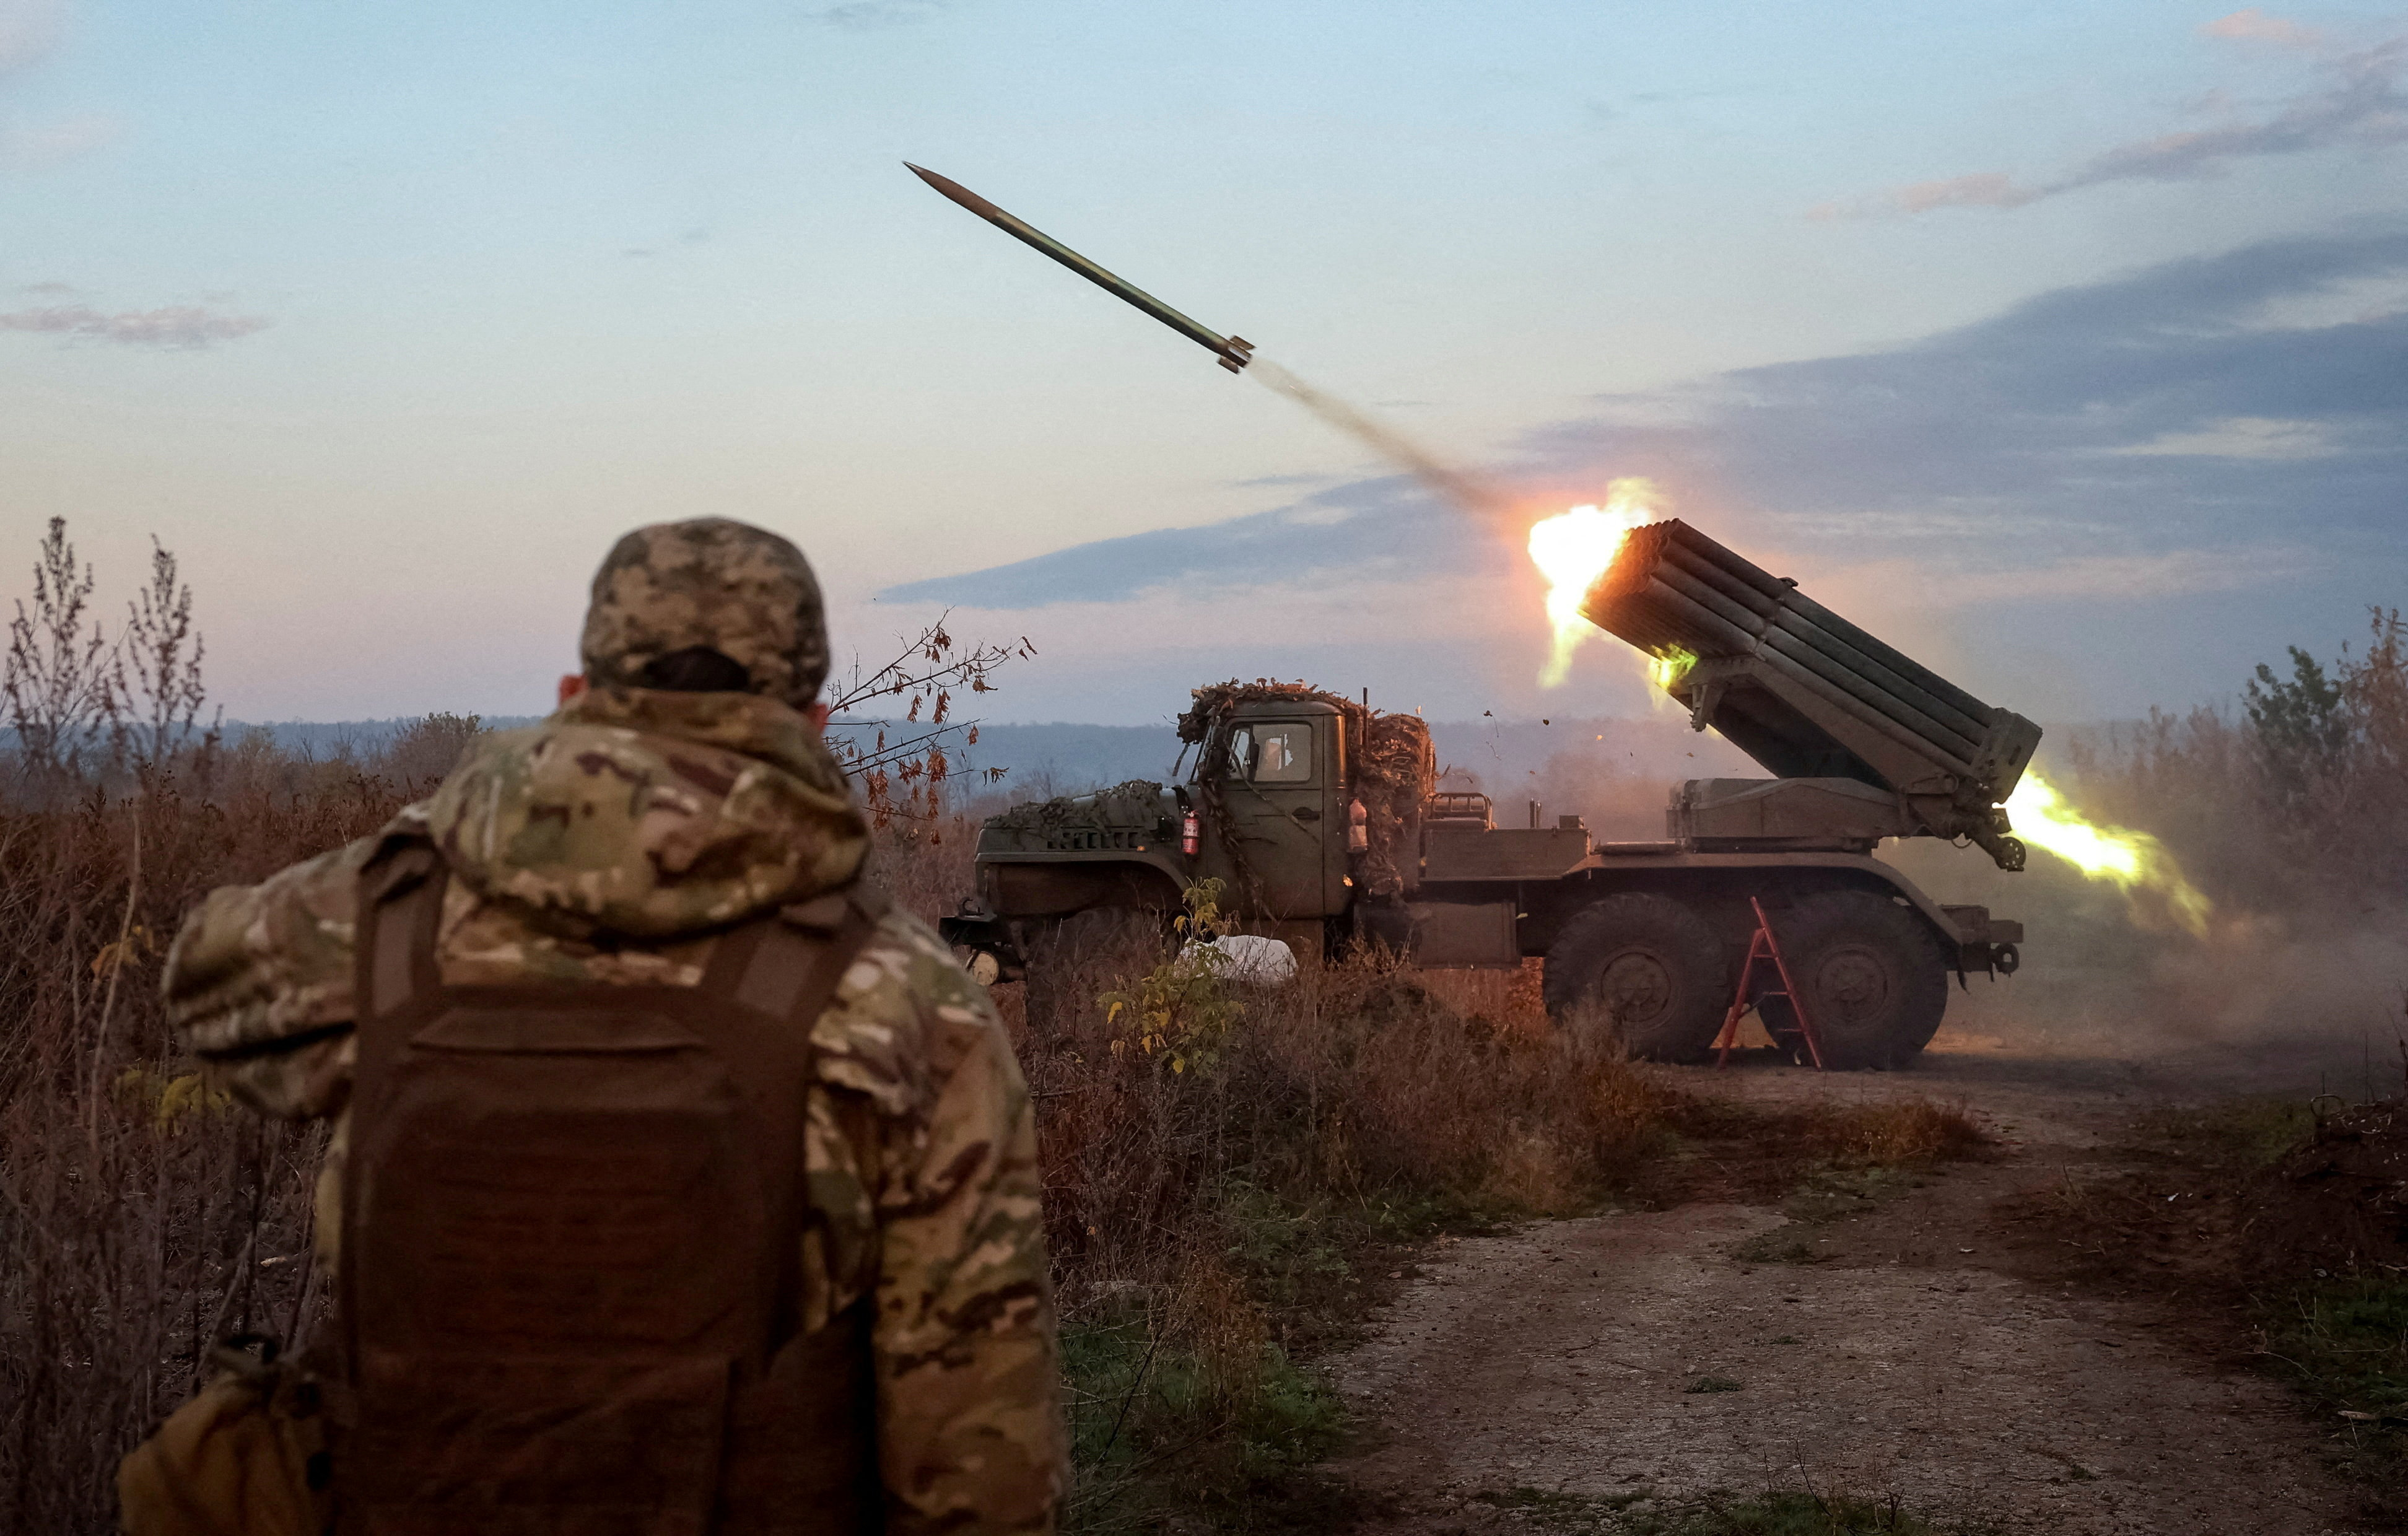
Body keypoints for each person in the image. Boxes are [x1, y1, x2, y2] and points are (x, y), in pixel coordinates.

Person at [121, 517, 1065, 1535]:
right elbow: (980, 1477)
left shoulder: (380, 927)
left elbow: (203, 985)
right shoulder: (913, 1005)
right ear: (816, 722)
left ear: (574, 704)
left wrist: (453, 829)